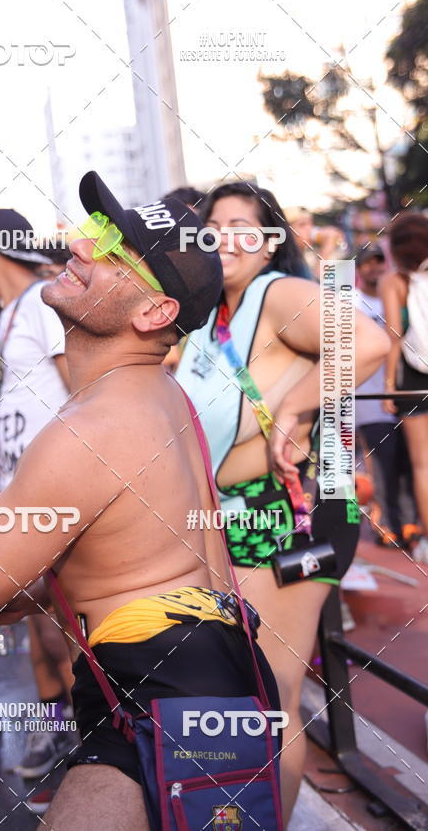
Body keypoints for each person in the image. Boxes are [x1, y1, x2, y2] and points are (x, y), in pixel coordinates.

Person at [0, 173, 280, 829]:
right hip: (186, 679)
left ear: (153, 313)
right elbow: (123, 555)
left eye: (112, 248)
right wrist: (3, 594)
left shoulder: (92, 428)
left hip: (167, 694)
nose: (81, 248)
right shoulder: (156, 398)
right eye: (93, 231)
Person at [175, 182, 390, 822]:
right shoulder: (209, 320)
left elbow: (370, 342)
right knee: (245, 689)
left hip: (292, 510)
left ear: (270, 244)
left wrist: (296, 407)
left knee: (270, 694)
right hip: (234, 513)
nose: (226, 236)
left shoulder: (274, 294)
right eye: (213, 225)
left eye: (244, 225)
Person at [0, 209, 75, 777]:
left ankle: (97, 748)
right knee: (41, 633)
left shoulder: (46, 300)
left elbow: (86, 388)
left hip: (56, 495)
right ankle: (57, 737)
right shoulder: (9, 318)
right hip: (19, 501)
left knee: (66, 635)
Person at [355, 245, 417, 549]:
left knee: (409, 464)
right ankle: (386, 525)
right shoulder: (352, 302)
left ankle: (409, 524)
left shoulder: (405, 296)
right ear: (359, 269)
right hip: (369, 399)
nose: (375, 269)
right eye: (368, 264)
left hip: (404, 394)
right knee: (382, 464)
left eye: (380, 262)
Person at [381, 212, 428, 557]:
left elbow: (394, 335)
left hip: (412, 376)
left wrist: (388, 385)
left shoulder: (394, 281)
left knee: (422, 464)